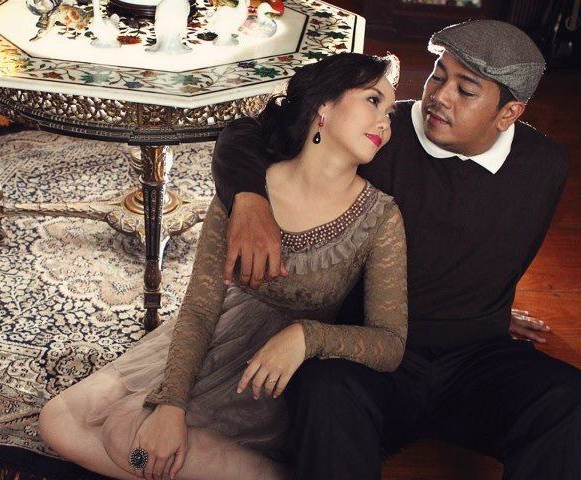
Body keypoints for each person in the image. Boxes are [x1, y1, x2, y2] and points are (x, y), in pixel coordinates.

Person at [211, 20, 580, 480]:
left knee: (570, 403)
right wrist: (249, 198)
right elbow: (244, 134)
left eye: (465, 90)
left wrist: (488, 308)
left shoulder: (545, 166)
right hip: (373, 350)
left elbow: (497, 247)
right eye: (438, 75)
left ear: (508, 114)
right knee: (323, 388)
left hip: (478, 358)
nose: (439, 96)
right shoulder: (380, 133)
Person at [38, 52, 407, 480]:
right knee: (57, 422)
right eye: (373, 101)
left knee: (125, 437)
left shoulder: (381, 217)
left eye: (390, 113)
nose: (385, 123)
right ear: (324, 106)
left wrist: (307, 336)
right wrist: (172, 402)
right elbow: (199, 307)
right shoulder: (249, 188)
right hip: (214, 331)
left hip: (269, 375)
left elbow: (390, 343)